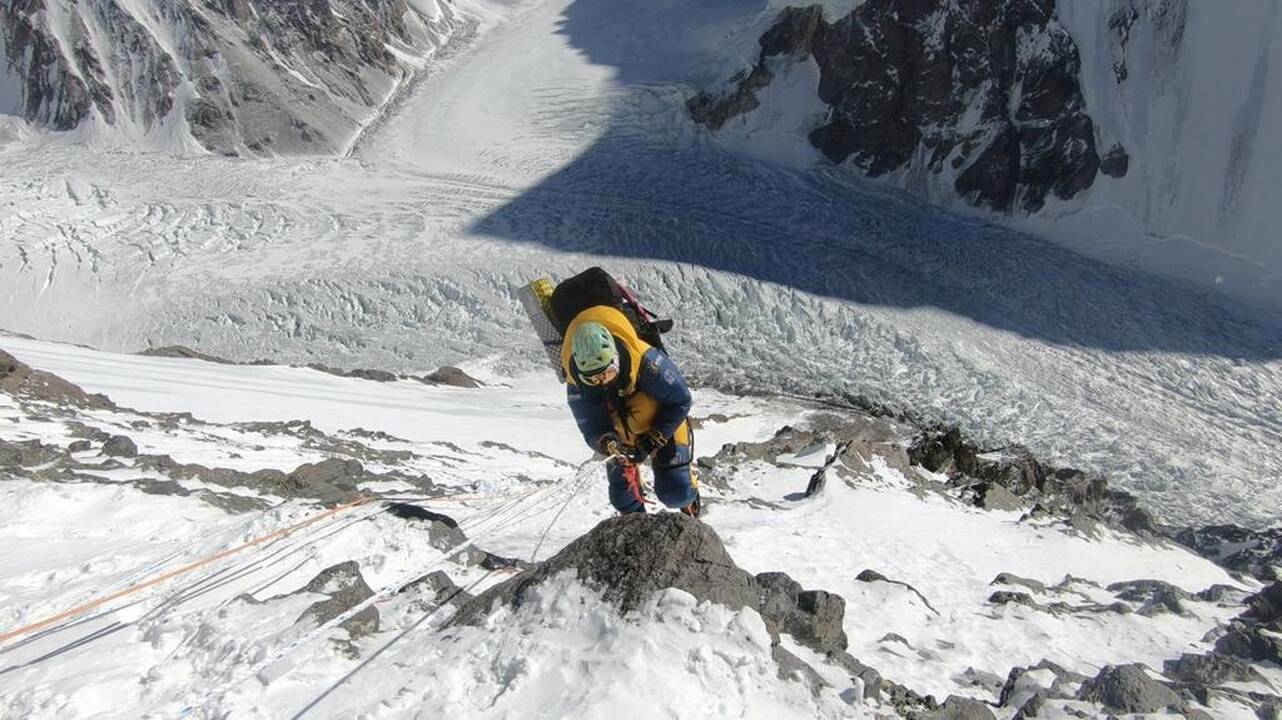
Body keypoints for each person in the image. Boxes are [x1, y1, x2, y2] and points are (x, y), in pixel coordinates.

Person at [561, 304, 699, 516]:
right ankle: (638, 528)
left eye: (608, 372)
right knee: (623, 500)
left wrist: (652, 441)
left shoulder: (647, 362)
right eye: (593, 378)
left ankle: (689, 495)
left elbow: (680, 400)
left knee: (676, 492)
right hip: (621, 440)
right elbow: (589, 425)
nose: (602, 381)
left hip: (660, 427)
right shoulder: (576, 384)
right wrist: (607, 442)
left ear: (616, 357)